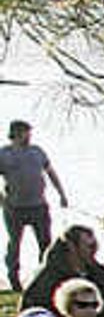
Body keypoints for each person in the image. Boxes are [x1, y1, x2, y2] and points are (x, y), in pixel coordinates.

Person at [0, 121, 66, 285]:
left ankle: (45, 277)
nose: (29, 136)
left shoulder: (37, 152)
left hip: (38, 206)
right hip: (14, 208)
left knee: (45, 243)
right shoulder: (4, 154)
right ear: (16, 133)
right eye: (25, 132)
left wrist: (62, 194)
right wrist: (2, 200)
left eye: (29, 132)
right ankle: (14, 278)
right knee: (15, 243)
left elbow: (51, 173)